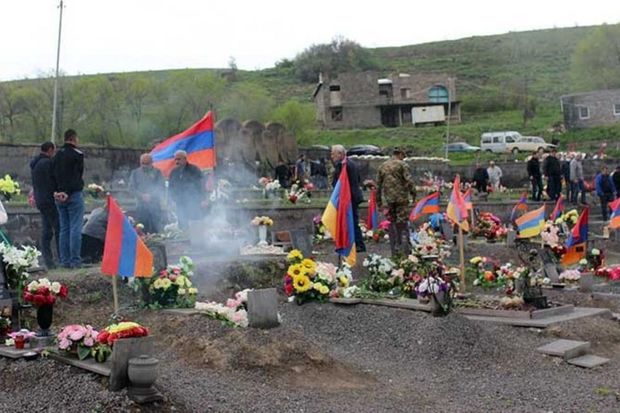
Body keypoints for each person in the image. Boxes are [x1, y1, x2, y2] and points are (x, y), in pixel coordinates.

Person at [52, 129, 85, 269]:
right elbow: (77, 176)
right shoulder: (78, 155)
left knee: (64, 229)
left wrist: (57, 191)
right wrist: (67, 191)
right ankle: (75, 260)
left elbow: (53, 175)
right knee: (75, 228)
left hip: (59, 196)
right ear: (73, 138)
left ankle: (64, 261)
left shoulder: (57, 155)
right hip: (73, 194)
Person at [376, 148, 416, 257]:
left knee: (392, 223)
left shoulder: (383, 166)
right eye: (403, 156)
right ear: (400, 154)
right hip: (401, 199)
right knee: (402, 224)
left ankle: (394, 249)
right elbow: (409, 180)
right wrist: (413, 194)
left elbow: (378, 186)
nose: (404, 158)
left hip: (388, 200)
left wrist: (379, 202)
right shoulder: (402, 165)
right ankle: (405, 249)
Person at [331, 144, 366, 253]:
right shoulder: (352, 163)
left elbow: (338, 182)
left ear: (340, 154)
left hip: (348, 198)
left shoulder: (343, 165)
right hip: (353, 196)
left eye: (333, 154)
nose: (332, 156)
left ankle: (357, 244)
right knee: (352, 220)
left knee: (351, 221)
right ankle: (356, 243)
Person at [30, 141, 59, 269]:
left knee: (46, 230)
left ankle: (48, 260)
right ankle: (61, 257)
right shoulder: (47, 163)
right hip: (49, 200)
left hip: (40, 200)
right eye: (54, 151)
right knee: (59, 228)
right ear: (50, 150)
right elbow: (52, 181)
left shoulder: (35, 164)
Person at [168, 150, 204, 230]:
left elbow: (201, 185)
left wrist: (202, 199)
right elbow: (171, 188)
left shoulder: (194, 170)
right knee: (182, 225)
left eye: (179, 159)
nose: (177, 161)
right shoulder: (173, 172)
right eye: (175, 159)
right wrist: (172, 200)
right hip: (179, 203)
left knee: (194, 225)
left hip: (193, 202)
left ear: (185, 159)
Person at [129, 154, 165, 234]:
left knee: (156, 228)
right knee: (141, 228)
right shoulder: (135, 173)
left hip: (155, 205)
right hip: (141, 206)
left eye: (147, 163)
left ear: (152, 162)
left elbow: (161, 186)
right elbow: (131, 188)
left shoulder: (157, 172)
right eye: (143, 163)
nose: (144, 166)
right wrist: (141, 195)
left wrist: (151, 195)